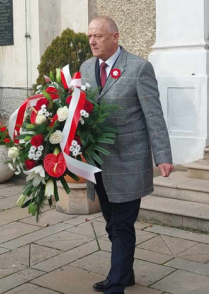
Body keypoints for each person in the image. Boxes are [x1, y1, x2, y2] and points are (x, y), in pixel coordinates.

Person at [81, 16, 173, 294]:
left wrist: (163, 155)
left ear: (115, 37)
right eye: (89, 37)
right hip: (99, 163)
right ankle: (126, 272)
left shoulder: (138, 68)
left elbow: (153, 115)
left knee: (121, 224)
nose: (93, 41)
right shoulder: (86, 68)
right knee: (112, 224)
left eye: (98, 36)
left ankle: (116, 284)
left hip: (129, 159)